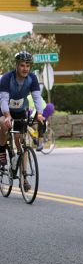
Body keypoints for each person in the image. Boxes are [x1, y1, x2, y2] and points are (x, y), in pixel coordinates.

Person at [0, 51, 45, 190]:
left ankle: (24, 178)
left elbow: (37, 97)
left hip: (20, 110)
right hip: (4, 109)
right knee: (3, 125)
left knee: (21, 140)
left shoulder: (32, 78)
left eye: (28, 66)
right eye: (22, 65)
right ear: (16, 66)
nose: (25, 68)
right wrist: (7, 115)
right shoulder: (7, 78)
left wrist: (40, 114)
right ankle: (2, 151)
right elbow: (4, 99)